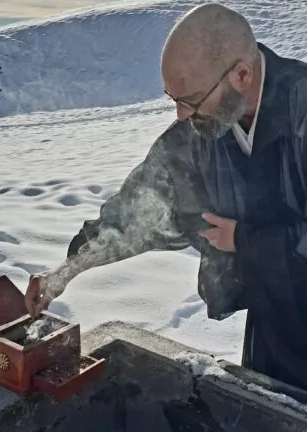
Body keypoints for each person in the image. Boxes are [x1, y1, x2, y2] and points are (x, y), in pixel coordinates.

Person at [25, 3, 307, 391]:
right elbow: (139, 209)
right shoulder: (205, 128)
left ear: (242, 74)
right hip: (270, 326)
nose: (179, 115)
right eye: (173, 98)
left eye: (190, 99)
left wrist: (245, 240)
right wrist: (68, 268)